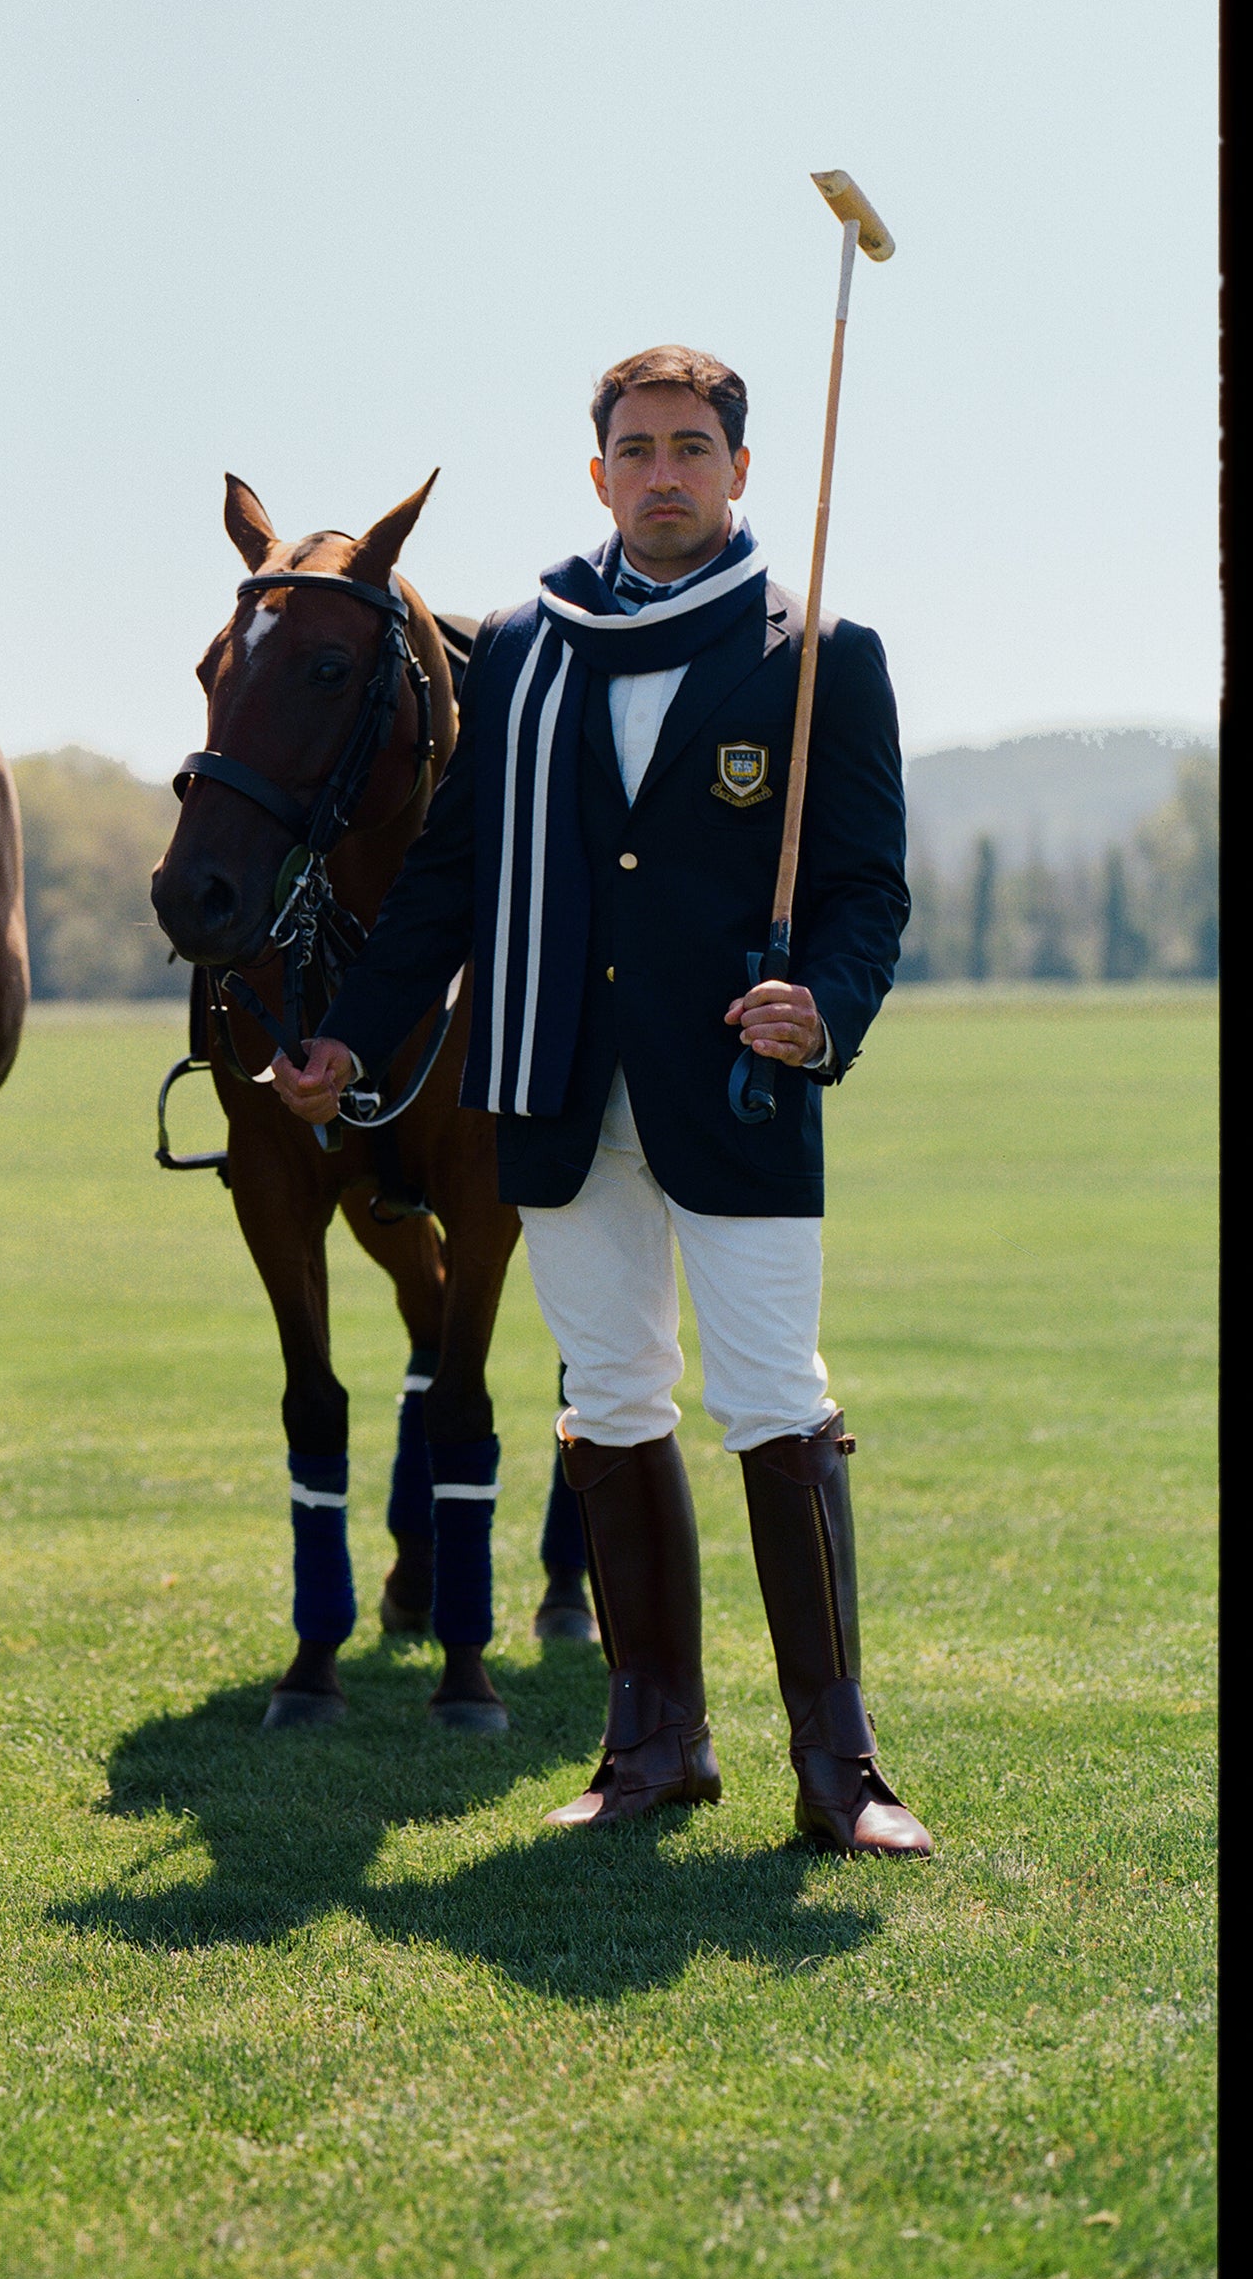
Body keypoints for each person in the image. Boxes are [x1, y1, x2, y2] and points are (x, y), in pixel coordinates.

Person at [271, 344, 927, 1853]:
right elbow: (445, 881)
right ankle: (653, 1752)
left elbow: (868, 889)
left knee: (776, 1400)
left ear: (742, 469)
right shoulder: (526, 643)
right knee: (611, 1402)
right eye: (636, 450)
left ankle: (840, 1771)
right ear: (598, 473)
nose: (664, 474)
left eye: (693, 447)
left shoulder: (820, 649)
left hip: (738, 1092)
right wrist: (355, 1042)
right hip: (553, 1083)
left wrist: (825, 1007)